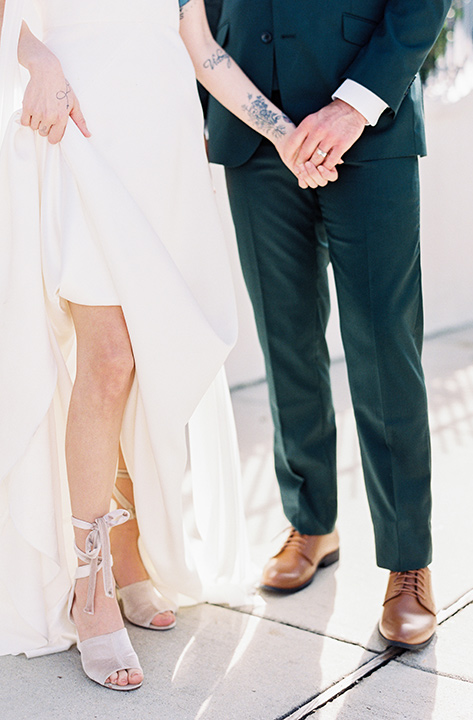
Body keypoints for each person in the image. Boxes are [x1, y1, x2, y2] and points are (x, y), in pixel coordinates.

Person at [0, 0, 332, 691]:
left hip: (163, 138)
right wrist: (34, 55)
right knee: (108, 356)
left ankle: (129, 557)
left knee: (139, 364)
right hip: (79, 122)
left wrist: (281, 133)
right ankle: (89, 591)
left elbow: (200, 46)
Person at [207, 0, 451, 650]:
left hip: (368, 125)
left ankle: (407, 562)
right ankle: (311, 521)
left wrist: (353, 106)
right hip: (250, 127)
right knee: (285, 341)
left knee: (383, 349)